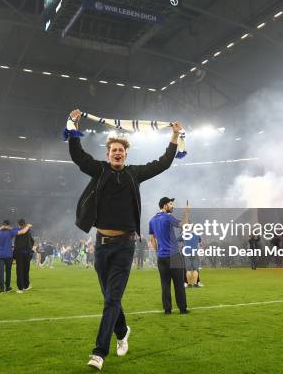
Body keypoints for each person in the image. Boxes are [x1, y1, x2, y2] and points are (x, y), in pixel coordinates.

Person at [67, 108, 182, 370]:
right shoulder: (99, 171)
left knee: (111, 299)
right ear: (108, 155)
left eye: (121, 150)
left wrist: (174, 136)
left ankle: (98, 353)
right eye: (113, 150)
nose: (117, 153)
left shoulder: (134, 174)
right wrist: (73, 125)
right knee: (111, 297)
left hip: (124, 247)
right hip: (101, 246)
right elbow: (77, 155)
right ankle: (122, 332)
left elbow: (163, 162)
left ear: (125, 154)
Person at [149, 198, 190, 313]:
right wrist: (187, 212)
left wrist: (158, 252)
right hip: (174, 255)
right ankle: (182, 309)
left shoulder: (152, 220)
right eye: (171, 204)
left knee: (165, 285)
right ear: (164, 205)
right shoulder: (168, 217)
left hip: (161, 258)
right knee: (179, 284)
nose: (173, 206)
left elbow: (152, 239)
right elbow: (185, 226)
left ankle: (167, 309)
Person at [0, 220, 32, 294]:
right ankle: (8, 288)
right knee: (8, 272)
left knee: (0, 272)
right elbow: (22, 232)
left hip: (0, 255)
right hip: (8, 255)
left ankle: (2, 289)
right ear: (8, 225)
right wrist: (28, 226)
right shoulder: (10, 232)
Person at [12, 219, 34, 293]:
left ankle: (20, 288)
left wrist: (14, 257)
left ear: (18, 224)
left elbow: (15, 244)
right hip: (27, 253)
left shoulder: (17, 231)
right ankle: (26, 286)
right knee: (26, 270)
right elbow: (32, 241)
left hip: (19, 253)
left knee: (19, 271)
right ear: (24, 223)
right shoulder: (28, 232)